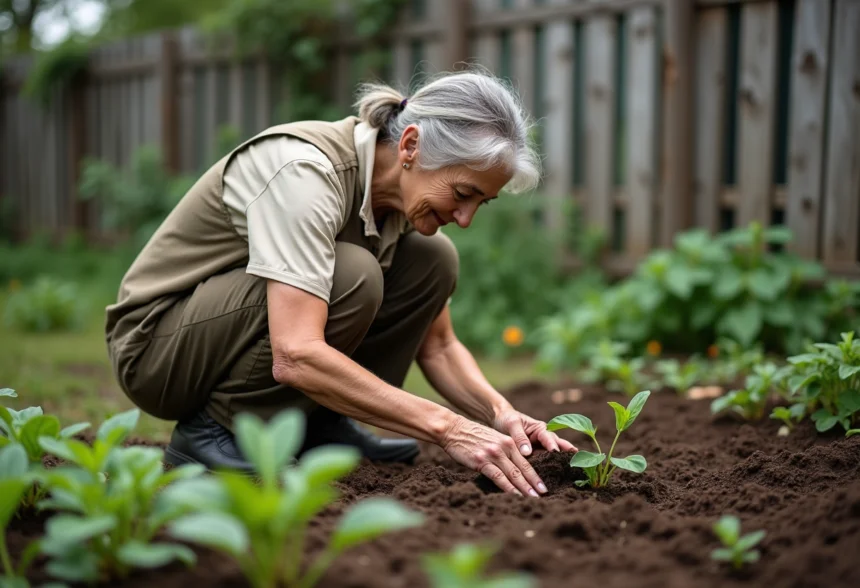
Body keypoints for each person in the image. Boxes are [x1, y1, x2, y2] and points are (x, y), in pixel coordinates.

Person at [104, 69, 576, 497]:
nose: (466, 218)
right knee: (352, 275)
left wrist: (500, 414)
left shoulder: (399, 203)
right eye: (462, 194)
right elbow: (296, 353)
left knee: (434, 259)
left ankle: (316, 425)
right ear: (410, 146)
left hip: (223, 336)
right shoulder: (306, 173)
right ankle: (214, 433)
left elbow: (439, 347)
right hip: (157, 350)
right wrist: (448, 428)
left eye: (481, 203)